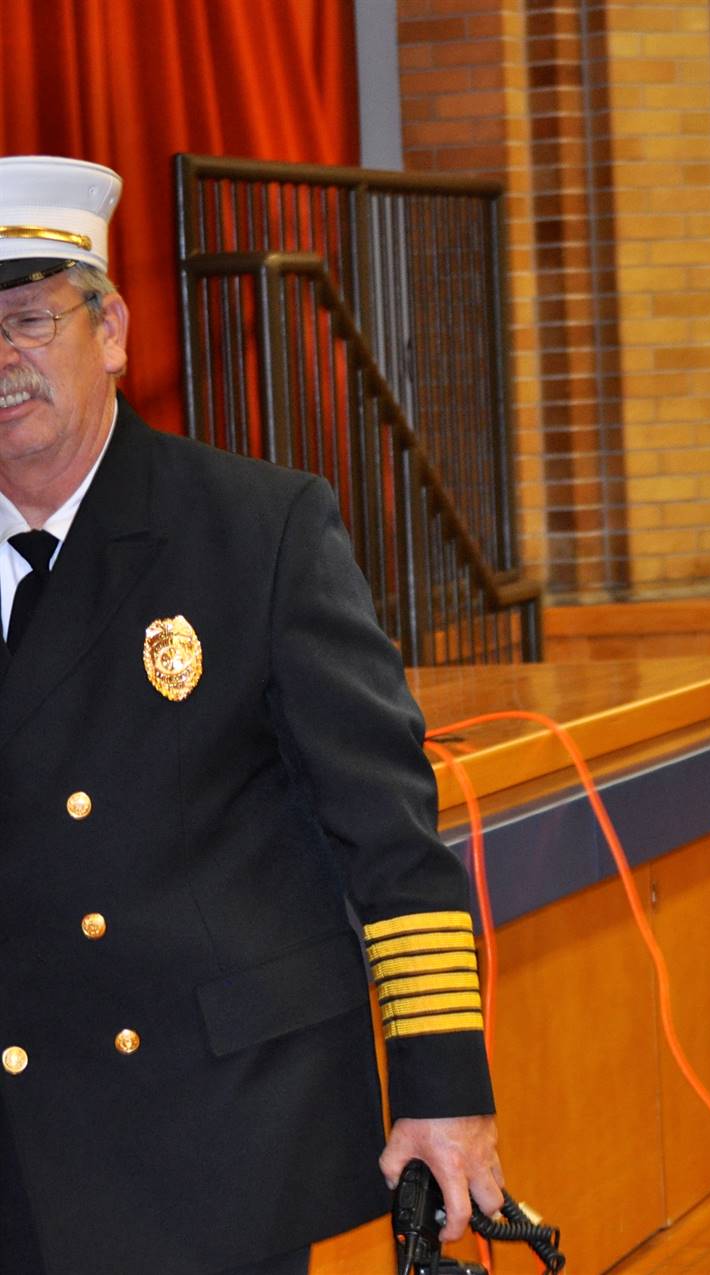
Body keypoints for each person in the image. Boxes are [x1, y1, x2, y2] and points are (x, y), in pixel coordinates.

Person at [0, 156, 505, 1272]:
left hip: (201, 1134)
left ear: (114, 329)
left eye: (29, 318)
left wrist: (444, 1094)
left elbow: (389, 841)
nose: (3, 360)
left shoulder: (256, 532)